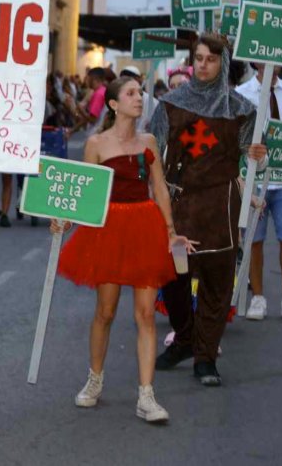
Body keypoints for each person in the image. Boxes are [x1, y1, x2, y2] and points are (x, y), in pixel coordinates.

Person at [52, 77, 192, 424]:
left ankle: (146, 395)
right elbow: (85, 193)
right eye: (130, 93)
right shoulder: (96, 144)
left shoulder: (149, 141)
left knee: (145, 314)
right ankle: (95, 379)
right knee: (105, 311)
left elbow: (159, 189)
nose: (139, 98)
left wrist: (171, 232)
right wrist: (65, 221)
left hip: (144, 227)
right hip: (109, 229)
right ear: (113, 104)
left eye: (140, 92)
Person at [149, 33, 268, 386]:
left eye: (211, 59)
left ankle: (205, 357)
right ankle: (185, 339)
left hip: (220, 206)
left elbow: (254, 158)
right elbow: (152, 154)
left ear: (223, 63)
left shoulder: (241, 110)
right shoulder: (170, 104)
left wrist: (258, 157)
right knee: (173, 277)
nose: (203, 65)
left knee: (216, 283)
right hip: (180, 205)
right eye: (198, 58)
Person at [236, 63, 282, 322]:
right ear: (256, 62)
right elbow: (236, 135)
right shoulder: (242, 93)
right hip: (254, 177)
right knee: (254, 239)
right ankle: (258, 297)